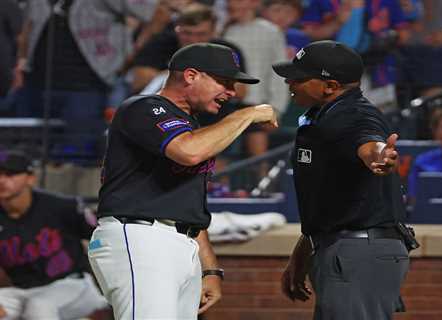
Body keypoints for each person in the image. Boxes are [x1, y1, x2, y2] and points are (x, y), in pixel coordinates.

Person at [87, 42, 278, 320]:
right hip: (140, 237)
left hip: (176, 242)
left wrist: (209, 269)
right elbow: (188, 152)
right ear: (190, 76)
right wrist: (246, 114)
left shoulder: (191, 127)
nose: (232, 92)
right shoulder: (144, 107)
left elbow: (186, 205)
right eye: (224, 82)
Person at [272, 40, 410, 320]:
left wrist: (379, 156)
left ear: (330, 86)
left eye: (299, 77)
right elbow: (330, 201)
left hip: (357, 250)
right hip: (343, 247)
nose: (290, 81)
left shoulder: (354, 114)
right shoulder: (324, 115)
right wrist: (304, 252)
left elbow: (369, 141)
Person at [14, 0, 157, 159]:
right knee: (26, 153)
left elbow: (152, 11)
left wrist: (136, 50)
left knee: (76, 154)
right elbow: (24, 25)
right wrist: (21, 61)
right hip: (36, 83)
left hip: (86, 87)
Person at [0, 150, 108, 320]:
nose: (2, 181)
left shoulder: (61, 207)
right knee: (34, 305)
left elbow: (103, 238)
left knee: (39, 308)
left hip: (72, 285)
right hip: (22, 291)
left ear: (30, 178)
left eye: (10, 174)